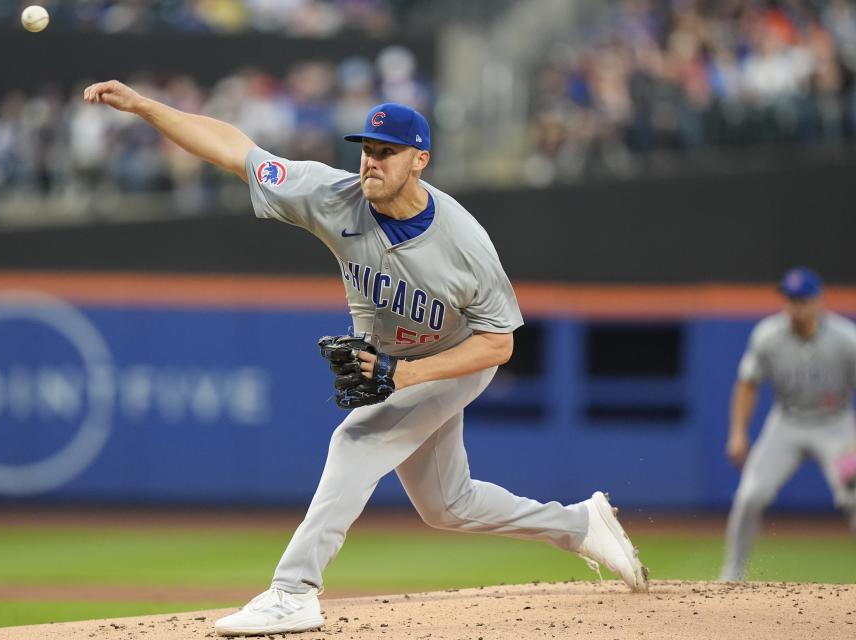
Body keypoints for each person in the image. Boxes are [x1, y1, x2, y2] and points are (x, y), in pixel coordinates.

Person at [82, 80, 649, 636]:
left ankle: (293, 592)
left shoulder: (465, 244)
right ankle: (578, 525)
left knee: (356, 439)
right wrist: (144, 106)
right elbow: (237, 152)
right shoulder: (334, 196)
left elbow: (499, 343)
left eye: (387, 152)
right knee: (447, 505)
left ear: (419, 159)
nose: (370, 162)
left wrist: (406, 373)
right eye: (366, 150)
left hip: (458, 359)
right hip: (399, 360)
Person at [721, 267, 856, 582]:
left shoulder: (846, 338)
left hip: (836, 425)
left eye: (801, 299)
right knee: (750, 495)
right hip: (787, 423)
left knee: (855, 496)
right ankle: (732, 573)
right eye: (790, 299)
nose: (794, 306)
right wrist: (738, 433)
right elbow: (747, 384)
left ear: (817, 301)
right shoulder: (768, 335)